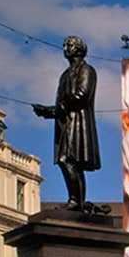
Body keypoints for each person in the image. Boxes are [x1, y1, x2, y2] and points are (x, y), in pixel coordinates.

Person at [33, 36, 101, 212]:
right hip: (65, 123)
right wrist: (49, 111)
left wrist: (56, 109)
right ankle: (76, 201)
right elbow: (63, 101)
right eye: (65, 45)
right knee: (68, 161)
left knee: (69, 160)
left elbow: (82, 95)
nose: (65, 48)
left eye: (69, 45)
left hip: (78, 123)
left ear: (79, 49)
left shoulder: (87, 70)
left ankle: (75, 201)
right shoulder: (65, 74)